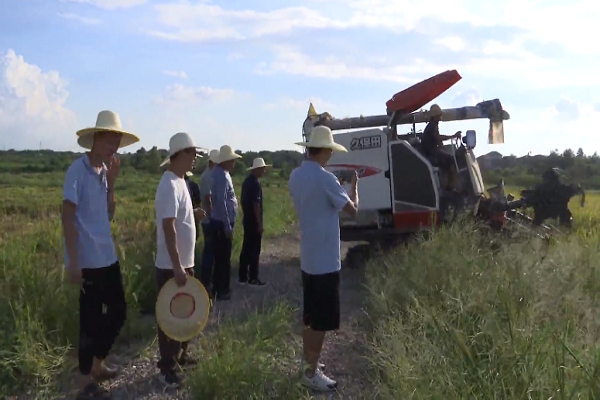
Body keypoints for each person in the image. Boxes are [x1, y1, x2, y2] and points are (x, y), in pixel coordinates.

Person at [61, 110, 139, 399]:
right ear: (95, 139)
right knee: (90, 320)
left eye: (117, 143)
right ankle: (84, 381)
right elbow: (68, 216)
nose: (114, 148)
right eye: (110, 141)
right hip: (88, 260)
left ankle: (97, 363)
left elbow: (109, 213)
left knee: (118, 312)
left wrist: (113, 183)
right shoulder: (77, 171)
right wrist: (73, 261)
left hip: (108, 255)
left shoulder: (105, 172)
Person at [288, 125, 359, 392]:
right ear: (326, 151)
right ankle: (310, 373)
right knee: (321, 322)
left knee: (310, 318)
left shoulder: (295, 175)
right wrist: (354, 188)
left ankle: (309, 365)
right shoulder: (326, 179)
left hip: (309, 258)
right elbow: (352, 211)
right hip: (326, 261)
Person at [154, 132, 207, 387]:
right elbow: (168, 227)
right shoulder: (168, 185)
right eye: (192, 153)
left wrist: (192, 214)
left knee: (185, 314)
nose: (195, 158)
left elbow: (179, 217)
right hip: (171, 266)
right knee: (171, 319)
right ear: (179, 155)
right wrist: (176, 266)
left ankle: (181, 357)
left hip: (184, 263)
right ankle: (167, 368)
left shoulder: (180, 181)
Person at [210, 144, 241, 301]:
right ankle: (222, 289)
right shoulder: (222, 175)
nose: (234, 162)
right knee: (223, 257)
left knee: (221, 257)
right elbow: (221, 201)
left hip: (220, 221)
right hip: (222, 223)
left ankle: (219, 288)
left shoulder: (219, 173)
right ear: (226, 161)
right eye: (232, 160)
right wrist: (227, 225)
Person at [238, 158, 271, 287]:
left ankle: (242, 276)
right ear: (257, 169)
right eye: (262, 169)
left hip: (247, 219)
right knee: (254, 250)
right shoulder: (255, 184)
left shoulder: (246, 182)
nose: (264, 171)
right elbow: (256, 205)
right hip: (253, 221)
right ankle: (253, 277)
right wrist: (259, 223)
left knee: (246, 248)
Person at [419, 103, 462, 190]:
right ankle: (449, 186)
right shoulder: (432, 126)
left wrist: (442, 147)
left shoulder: (432, 126)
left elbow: (437, 140)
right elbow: (438, 138)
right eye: (439, 115)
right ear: (435, 116)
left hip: (430, 151)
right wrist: (453, 136)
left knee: (447, 160)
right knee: (451, 160)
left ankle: (447, 184)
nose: (440, 116)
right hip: (430, 152)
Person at [197, 149, 220, 291]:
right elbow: (208, 199)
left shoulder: (210, 174)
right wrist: (213, 217)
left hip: (209, 219)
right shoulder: (207, 176)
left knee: (211, 251)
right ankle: (205, 282)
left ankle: (209, 279)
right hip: (208, 220)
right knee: (209, 252)